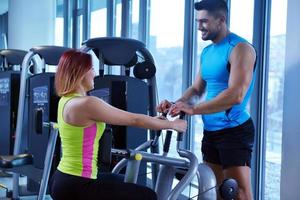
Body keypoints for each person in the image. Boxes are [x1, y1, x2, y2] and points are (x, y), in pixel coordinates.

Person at [49, 49, 187, 200]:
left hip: (64, 179)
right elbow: (134, 120)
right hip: (78, 185)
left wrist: (156, 120)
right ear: (81, 72)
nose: (95, 73)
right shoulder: (87, 103)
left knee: (125, 181)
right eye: (92, 69)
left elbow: (124, 117)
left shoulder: (67, 100)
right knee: (147, 196)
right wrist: (173, 125)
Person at [157, 0, 256, 200]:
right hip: (211, 130)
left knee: (238, 192)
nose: (199, 26)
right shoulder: (208, 52)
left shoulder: (240, 48)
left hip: (234, 130)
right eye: (197, 21)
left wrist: (194, 110)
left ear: (221, 20)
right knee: (216, 189)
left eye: (204, 21)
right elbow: (196, 88)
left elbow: (236, 94)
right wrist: (176, 105)